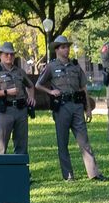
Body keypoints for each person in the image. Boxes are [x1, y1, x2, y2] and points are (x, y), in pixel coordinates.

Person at [38, 35, 103, 181]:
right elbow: (38, 84)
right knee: (63, 142)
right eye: (63, 47)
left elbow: (83, 87)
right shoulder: (51, 66)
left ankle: (94, 173)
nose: (66, 49)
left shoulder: (75, 66)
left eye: (67, 46)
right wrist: (51, 91)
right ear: (56, 49)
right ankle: (68, 175)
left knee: (84, 141)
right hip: (61, 107)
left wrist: (87, 108)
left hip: (77, 106)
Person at [0, 43, 34, 154]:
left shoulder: (19, 71)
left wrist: (31, 97)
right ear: (0, 55)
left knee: (22, 145)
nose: (9, 57)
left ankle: (20, 170)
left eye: (12, 54)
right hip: (4, 111)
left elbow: (30, 85)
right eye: (6, 54)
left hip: (20, 110)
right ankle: (0, 170)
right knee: (1, 146)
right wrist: (5, 92)